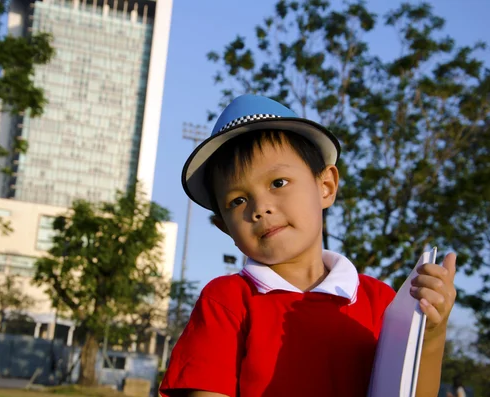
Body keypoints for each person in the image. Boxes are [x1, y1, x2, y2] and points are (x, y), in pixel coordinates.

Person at [160, 95, 457, 397]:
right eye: (238, 200)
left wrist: (431, 333)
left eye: (278, 183)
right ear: (225, 227)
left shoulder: (381, 302)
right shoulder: (227, 301)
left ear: (325, 186)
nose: (260, 208)